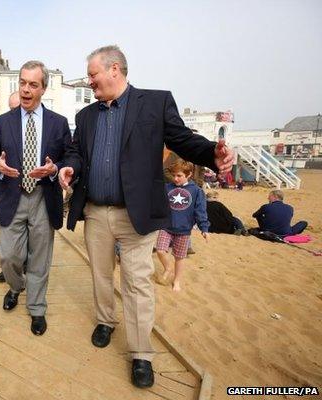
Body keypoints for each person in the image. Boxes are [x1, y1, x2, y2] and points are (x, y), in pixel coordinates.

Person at [59, 45, 234, 388]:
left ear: (114, 69)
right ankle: (106, 320)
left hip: (136, 215)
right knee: (99, 274)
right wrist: (69, 167)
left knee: (137, 283)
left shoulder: (154, 103)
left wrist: (212, 153)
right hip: (95, 212)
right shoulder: (86, 116)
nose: (89, 81)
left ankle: (141, 354)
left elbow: (184, 141)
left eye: (93, 74)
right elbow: (76, 153)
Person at [0, 60, 71, 336]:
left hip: (45, 197)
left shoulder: (58, 124)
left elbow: (71, 157)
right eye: (22, 83)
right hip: (13, 196)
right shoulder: (5, 122)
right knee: (9, 256)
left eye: (32, 84)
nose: (25, 89)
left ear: (43, 88)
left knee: (40, 259)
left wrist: (55, 168)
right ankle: (15, 286)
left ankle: (36, 308)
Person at [155, 161, 209, 292]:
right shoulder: (167, 187)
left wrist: (204, 228)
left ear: (189, 174)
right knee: (160, 250)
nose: (175, 178)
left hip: (184, 230)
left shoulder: (196, 191)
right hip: (166, 226)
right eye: (174, 175)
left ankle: (177, 281)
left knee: (179, 258)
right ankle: (168, 268)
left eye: (179, 175)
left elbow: (200, 210)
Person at [0, 91, 22, 283]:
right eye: (11, 108)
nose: (14, 112)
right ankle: (12, 280)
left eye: (17, 108)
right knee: (8, 251)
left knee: (29, 250)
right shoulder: (3, 125)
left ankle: (18, 281)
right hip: (9, 197)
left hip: (37, 199)